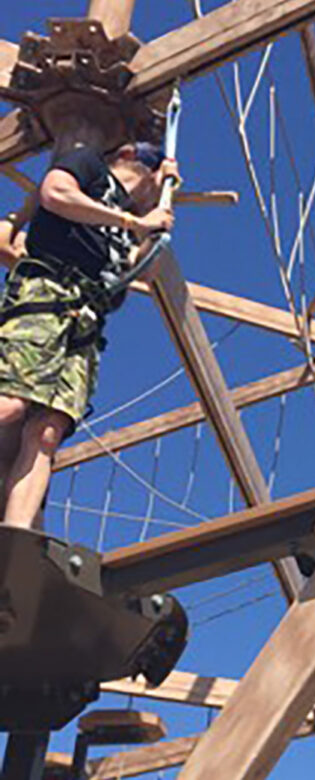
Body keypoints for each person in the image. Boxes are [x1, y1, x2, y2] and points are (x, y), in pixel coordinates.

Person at [0, 142, 177, 529]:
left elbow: (144, 271)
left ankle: (13, 539)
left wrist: (160, 213)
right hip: (48, 294)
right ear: (128, 155)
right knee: (9, 404)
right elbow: (55, 193)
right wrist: (132, 221)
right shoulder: (90, 166)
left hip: (86, 321)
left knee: (47, 432)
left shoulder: (128, 224)